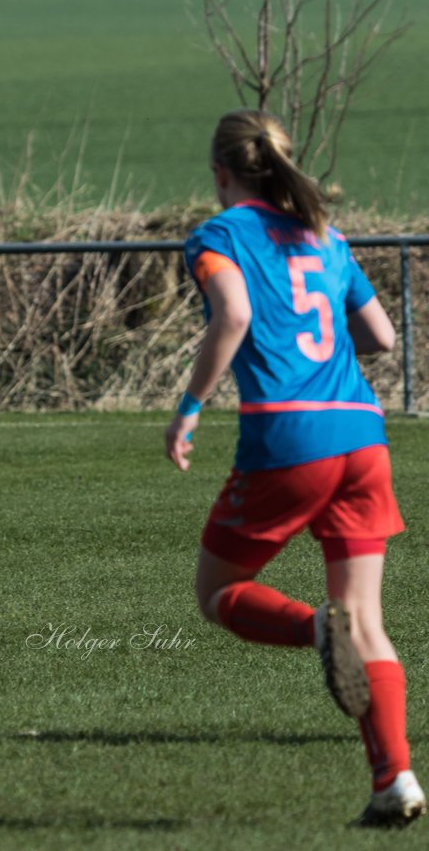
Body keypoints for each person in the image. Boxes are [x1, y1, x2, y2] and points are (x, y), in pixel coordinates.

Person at [165, 109, 423, 828]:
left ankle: (315, 630)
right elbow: (380, 336)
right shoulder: (326, 234)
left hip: (289, 435)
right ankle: (394, 780)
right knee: (368, 619)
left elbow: (234, 315)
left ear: (221, 173)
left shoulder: (218, 235)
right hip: (363, 433)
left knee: (219, 591)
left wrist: (189, 409)